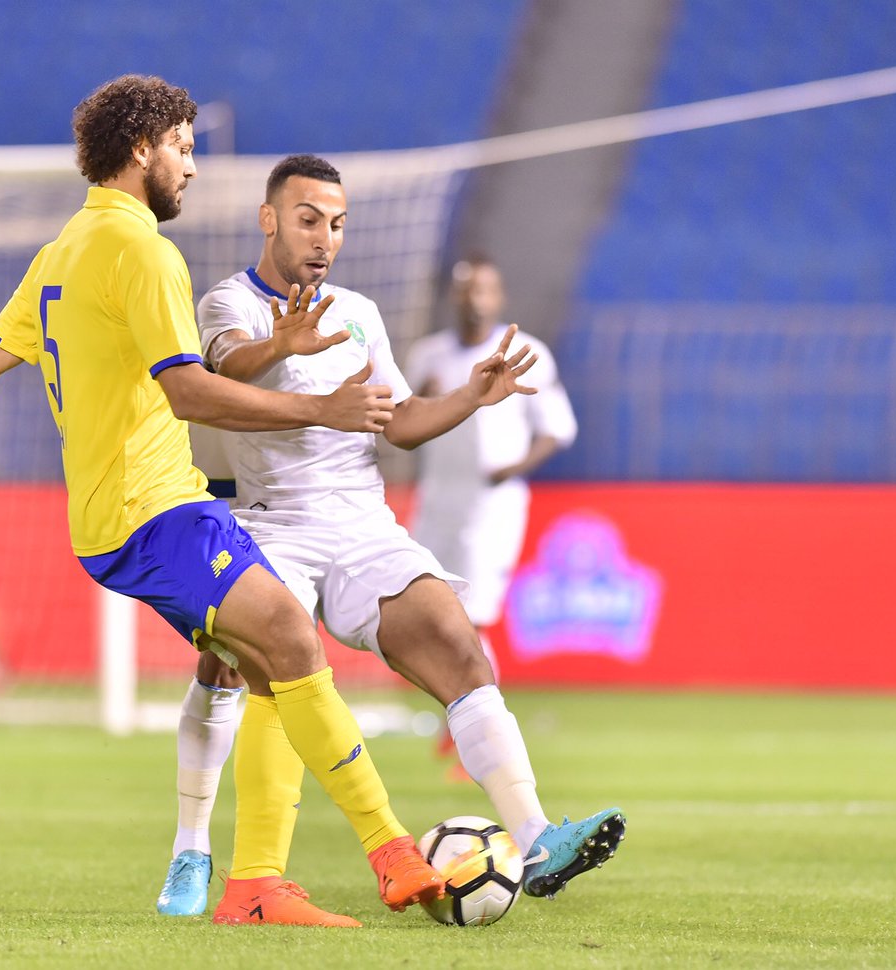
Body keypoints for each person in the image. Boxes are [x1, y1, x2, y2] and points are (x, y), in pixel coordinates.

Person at [0, 76, 445, 926]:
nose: (192, 169)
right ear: (143, 150)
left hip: (115, 520)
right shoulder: (142, 253)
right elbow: (191, 394)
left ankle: (253, 884)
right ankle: (389, 853)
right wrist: (323, 407)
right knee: (285, 632)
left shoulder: (65, 248)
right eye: (184, 148)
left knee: (267, 659)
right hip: (156, 511)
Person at [153, 153, 625, 924]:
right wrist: (284, 348)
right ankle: (192, 847)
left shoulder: (358, 311)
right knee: (231, 671)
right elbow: (223, 370)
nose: (324, 238)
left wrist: (469, 396)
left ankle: (537, 836)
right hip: (271, 525)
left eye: (337, 224)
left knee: (460, 644)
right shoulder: (228, 301)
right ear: (269, 218)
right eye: (308, 218)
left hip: (362, 527)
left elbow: (399, 422)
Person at [403, 256, 578, 771]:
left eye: (482, 290)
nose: (473, 299)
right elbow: (406, 429)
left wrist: (512, 469)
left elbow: (557, 429)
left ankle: (479, 737)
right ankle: (458, 723)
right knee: (433, 617)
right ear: (452, 296)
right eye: (464, 290)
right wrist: (423, 402)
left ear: (497, 297)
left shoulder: (529, 355)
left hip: (492, 504)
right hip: (438, 499)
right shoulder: (427, 356)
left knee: (472, 618)